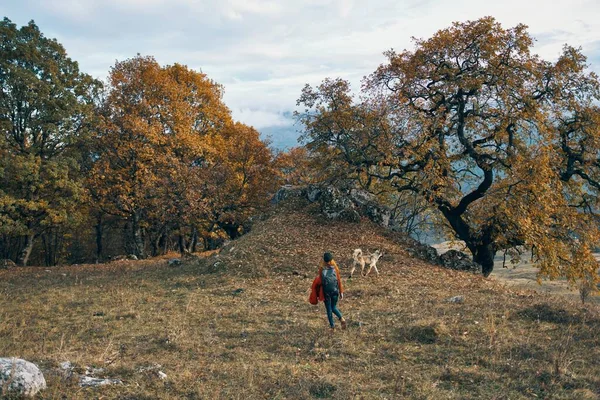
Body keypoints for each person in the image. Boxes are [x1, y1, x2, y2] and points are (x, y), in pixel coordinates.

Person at [310, 252, 347, 331]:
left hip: (325, 292)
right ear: (331, 259)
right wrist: (341, 292)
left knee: (328, 309)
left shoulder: (322, 269)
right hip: (335, 291)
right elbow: (339, 280)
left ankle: (332, 327)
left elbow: (320, 281)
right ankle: (342, 318)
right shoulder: (335, 268)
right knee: (333, 307)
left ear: (324, 260)